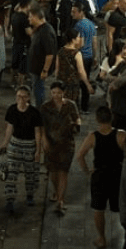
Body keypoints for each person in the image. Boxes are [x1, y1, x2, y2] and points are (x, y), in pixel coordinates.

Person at [76, 105, 126, 248]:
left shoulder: (93, 136)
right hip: (117, 174)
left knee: (98, 208)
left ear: (97, 119)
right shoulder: (121, 135)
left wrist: (87, 171)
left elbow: (80, 156)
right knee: (122, 207)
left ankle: (102, 238)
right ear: (112, 118)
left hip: (100, 175)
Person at [0, 86, 44, 214]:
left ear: (28, 97)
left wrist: (38, 151)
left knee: (30, 173)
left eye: (23, 96)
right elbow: (9, 128)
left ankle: (30, 195)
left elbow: (37, 132)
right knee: (11, 173)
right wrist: (4, 144)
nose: (21, 99)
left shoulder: (34, 113)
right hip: (15, 144)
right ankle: (10, 199)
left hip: (29, 145)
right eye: (18, 96)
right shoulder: (12, 110)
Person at [41, 81, 81, 214]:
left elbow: (77, 118)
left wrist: (76, 125)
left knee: (63, 171)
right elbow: (42, 126)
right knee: (53, 170)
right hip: (51, 143)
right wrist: (44, 140)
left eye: (59, 92)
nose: (56, 95)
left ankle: (60, 199)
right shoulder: (46, 107)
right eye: (53, 93)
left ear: (63, 93)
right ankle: (56, 190)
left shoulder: (70, 105)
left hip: (66, 143)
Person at [27, 3, 58, 107]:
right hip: (35, 68)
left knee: (39, 92)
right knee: (37, 91)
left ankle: (40, 111)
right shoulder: (39, 29)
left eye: (30, 16)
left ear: (36, 17)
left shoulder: (46, 32)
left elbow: (50, 54)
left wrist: (45, 70)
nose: (29, 19)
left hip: (39, 70)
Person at [56, 28, 93, 104]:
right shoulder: (77, 54)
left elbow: (57, 68)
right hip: (72, 84)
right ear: (73, 39)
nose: (79, 39)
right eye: (78, 37)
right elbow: (81, 71)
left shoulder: (60, 51)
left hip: (62, 81)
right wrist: (88, 84)